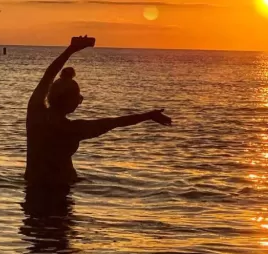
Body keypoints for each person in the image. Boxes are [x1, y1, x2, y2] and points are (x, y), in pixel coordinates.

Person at [25, 36, 172, 187]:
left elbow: (48, 75)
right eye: (78, 98)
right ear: (68, 100)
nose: (79, 102)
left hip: (32, 191)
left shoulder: (35, 113)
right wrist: (148, 115)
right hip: (60, 192)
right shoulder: (72, 129)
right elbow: (115, 122)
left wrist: (70, 50)